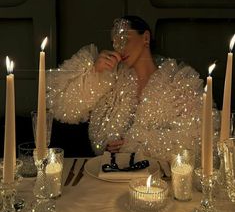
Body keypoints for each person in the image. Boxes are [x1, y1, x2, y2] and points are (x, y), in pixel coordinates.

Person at [46, 15, 220, 162]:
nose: (119, 48)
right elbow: (64, 106)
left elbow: (199, 138)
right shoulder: (112, 80)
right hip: (111, 176)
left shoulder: (177, 81)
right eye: (115, 42)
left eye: (125, 39)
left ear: (145, 38)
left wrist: (137, 142)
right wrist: (94, 72)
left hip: (157, 181)